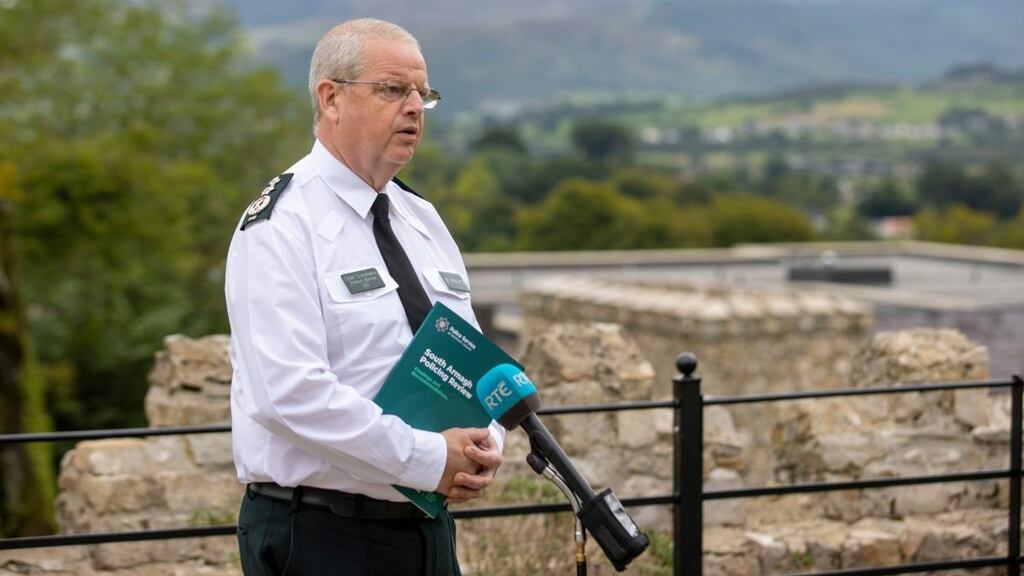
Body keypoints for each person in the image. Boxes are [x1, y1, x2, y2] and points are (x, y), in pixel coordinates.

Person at [225, 18, 503, 576]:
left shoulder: (421, 220)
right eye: (393, 90)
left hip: (425, 529)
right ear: (330, 98)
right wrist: (429, 459)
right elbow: (289, 395)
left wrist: (481, 443)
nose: (414, 108)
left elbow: (465, 356)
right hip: (323, 534)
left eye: (423, 94)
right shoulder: (283, 223)